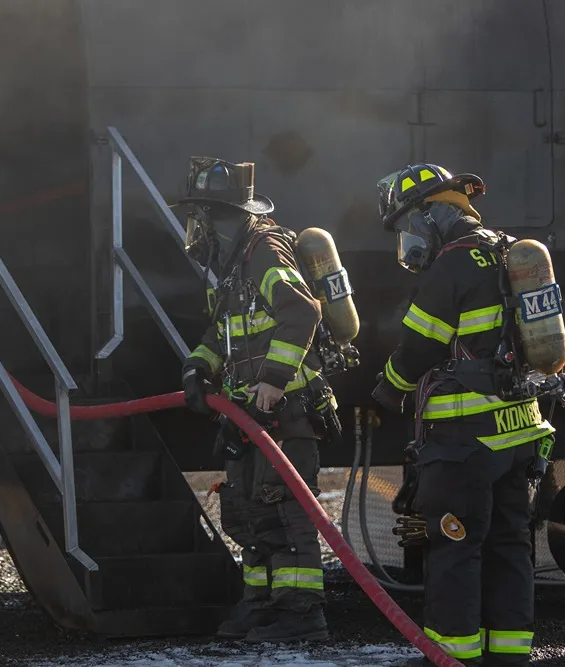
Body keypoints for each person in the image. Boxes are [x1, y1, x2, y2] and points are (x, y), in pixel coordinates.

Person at [370, 163, 557, 666]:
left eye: (408, 225)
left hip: (464, 443)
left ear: (432, 214)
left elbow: (417, 349)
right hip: (519, 433)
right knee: (510, 548)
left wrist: (387, 391)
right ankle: (509, 657)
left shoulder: (452, 262)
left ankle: (454, 658)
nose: (408, 240)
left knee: (454, 549)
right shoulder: (506, 249)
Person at [177, 156, 339, 643]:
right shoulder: (231, 269)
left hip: (284, 410)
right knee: (250, 512)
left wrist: (272, 380)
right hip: (249, 413)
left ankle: (302, 615)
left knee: (286, 512)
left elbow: (302, 313)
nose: (195, 231)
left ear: (215, 216)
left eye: (198, 219)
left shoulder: (264, 250)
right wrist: (198, 364)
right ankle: (261, 604)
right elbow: (222, 331)